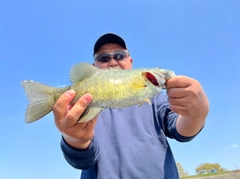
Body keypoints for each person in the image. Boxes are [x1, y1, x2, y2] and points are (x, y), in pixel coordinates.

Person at [53, 33, 209, 179]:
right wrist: (75, 141)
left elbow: (180, 130)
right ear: (93, 66)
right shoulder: (84, 108)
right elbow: (82, 161)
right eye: (103, 58)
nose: (113, 62)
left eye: (120, 56)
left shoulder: (154, 98)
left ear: (131, 61)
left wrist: (197, 113)